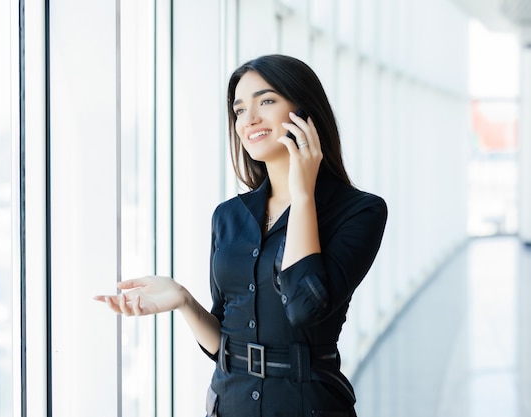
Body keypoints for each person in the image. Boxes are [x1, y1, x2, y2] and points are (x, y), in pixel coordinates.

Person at [95, 54, 387, 417]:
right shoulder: (229, 217)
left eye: (266, 101)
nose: (249, 120)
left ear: (304, 113)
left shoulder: (359, 211)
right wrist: (184, 300)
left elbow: (303, 308)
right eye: (238, 109)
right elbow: (223, 345)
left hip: (307, 406)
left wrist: (302, 196)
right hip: (228, 402)